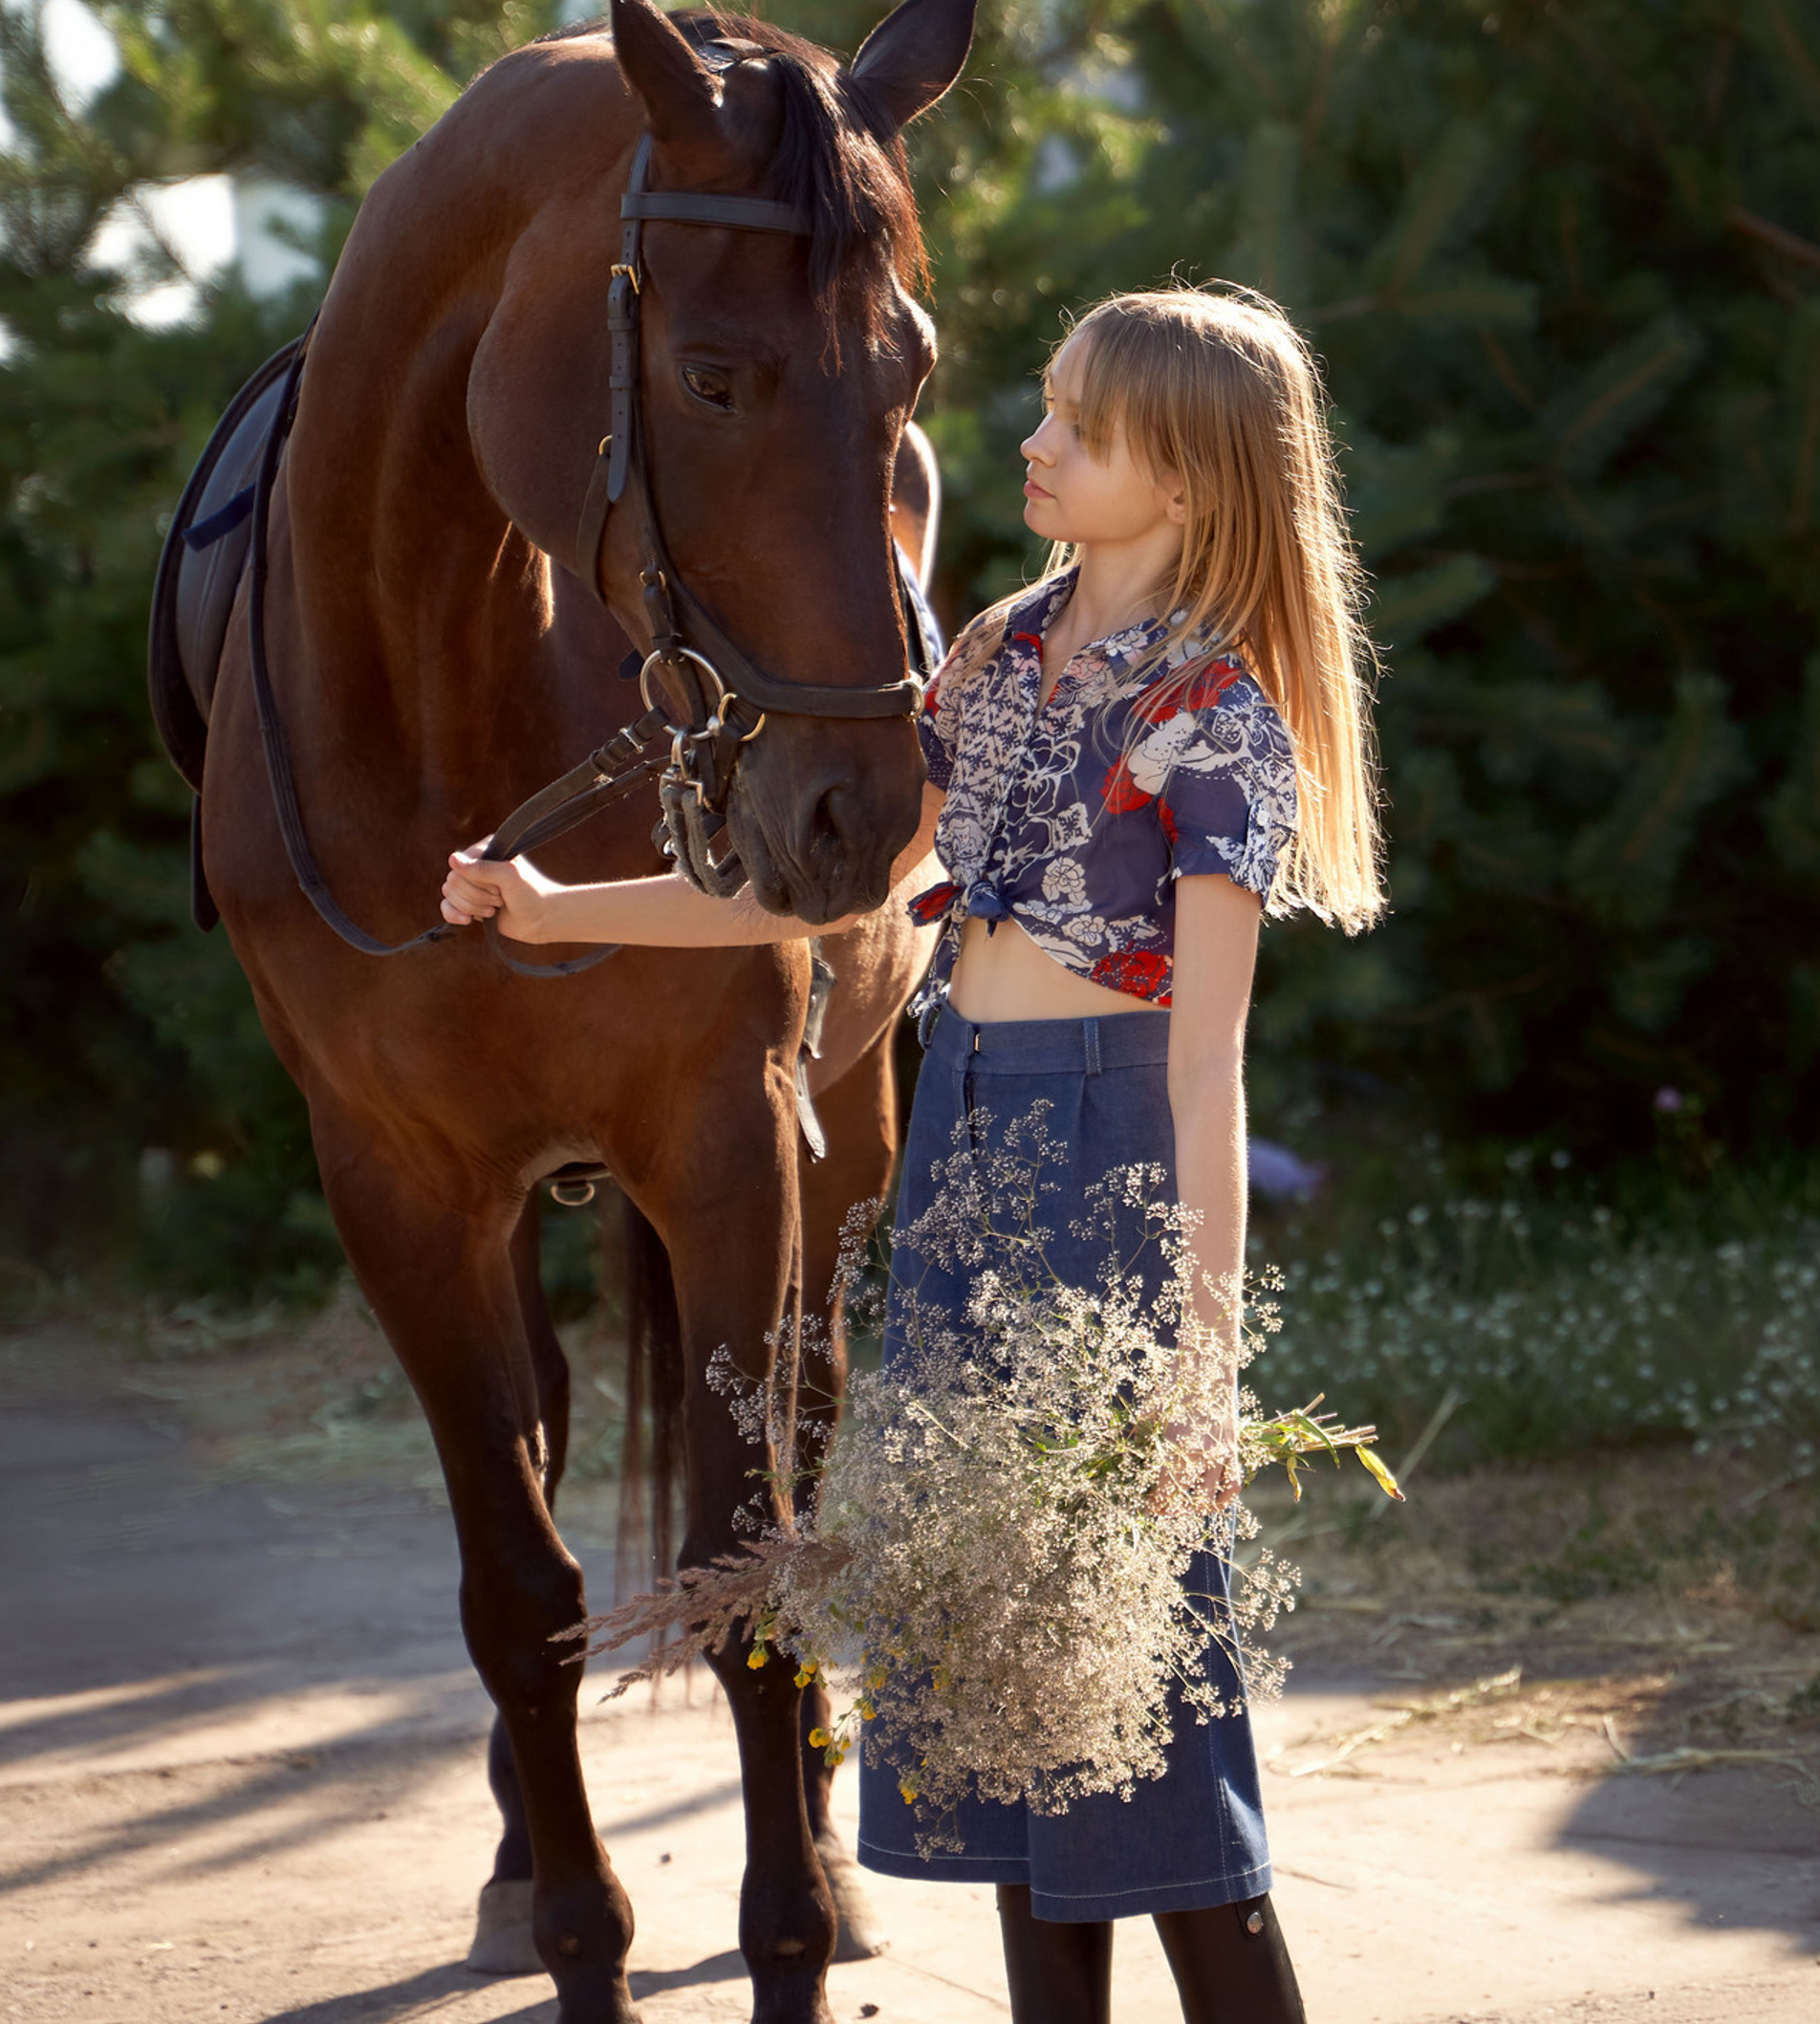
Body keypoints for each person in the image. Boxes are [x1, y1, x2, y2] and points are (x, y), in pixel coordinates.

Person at [441, 283, 1385, 2024]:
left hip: (1110, 1158)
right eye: (1043, 408)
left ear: (1178, 481)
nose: (1028, 444)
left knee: (1145, 1706)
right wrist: (567, 905)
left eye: (1077, 430)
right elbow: (816, 887)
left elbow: (1209, 1071)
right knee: (1013, 1687)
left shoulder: (1214, 711)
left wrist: (1199, 1366)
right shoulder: (999, 649)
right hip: (960, 1146)